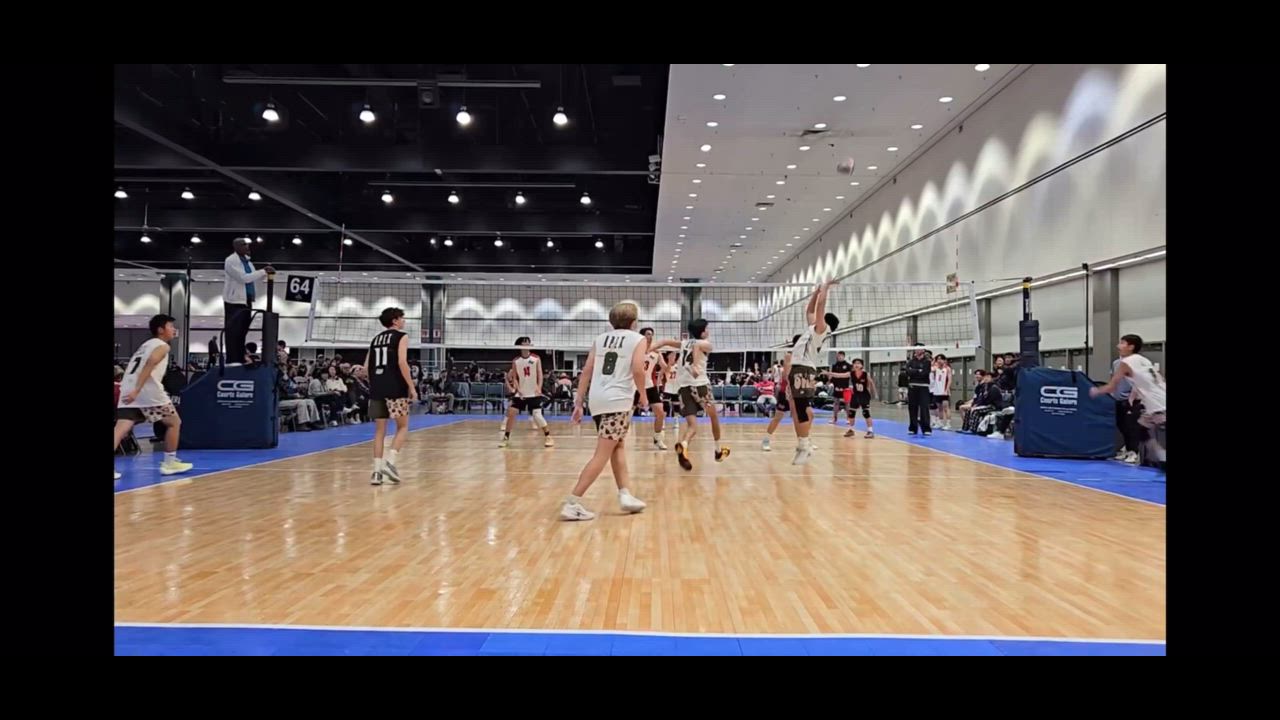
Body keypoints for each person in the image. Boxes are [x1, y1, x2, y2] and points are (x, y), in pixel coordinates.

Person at [561, 302, 650, 521]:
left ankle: (625, 494)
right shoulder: (638, 339)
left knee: (617, 446)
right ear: (634, 322)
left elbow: (586, 371)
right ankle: (572, 502)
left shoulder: (600, 339)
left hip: (597, 400)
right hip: (617, 401)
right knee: (602, 454)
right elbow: (638, 369)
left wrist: (578, 402)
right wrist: (643, 395)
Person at [113, 314, 193, 480]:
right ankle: (169, 463)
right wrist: (138, 390)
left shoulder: (145, 345)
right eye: (170, 326)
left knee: (120, 429)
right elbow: (150, 364)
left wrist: (133, 390)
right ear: (160, 330)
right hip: (146, 391)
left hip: (127, 388)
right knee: (174, 422)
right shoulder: (162, 346)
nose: (174, 330)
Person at [1089, 334, 1166, 463]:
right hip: (1159, 399)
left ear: (1131, 347)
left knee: (1142, 430)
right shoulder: (1144, 360)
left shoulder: (1126, 363)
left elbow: (1112, 387)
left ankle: (1161, 455)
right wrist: (1134, 395)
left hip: (1157, 404)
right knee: (1141, 429)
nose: (1118, 346)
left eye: (1122, 343)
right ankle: (1160, 455)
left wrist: (1096, 390)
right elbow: (1150, 380)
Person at [787, 280, 839, 465]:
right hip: (799, 368)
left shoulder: (821, 330)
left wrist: (825, 289)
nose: (817, 317)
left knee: (801, 409)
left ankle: (805, 445)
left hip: (804, 369)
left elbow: (819, 309)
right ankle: (805, 442)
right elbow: (809, 311)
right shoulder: (813, 328)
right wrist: (816, 293)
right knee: (800, 408)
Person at [366, 307, 417, 486]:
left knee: (379, 431)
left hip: (377, 389)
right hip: (396, 388)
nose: (404, 321)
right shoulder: (401, 336)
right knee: (402, 427)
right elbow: (402, 362)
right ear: (395, 320)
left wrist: (375, 384)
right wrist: (411, 387)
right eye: (402, 318)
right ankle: (390, 462)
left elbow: (366, 368)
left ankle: (376, 473)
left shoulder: (375, 340)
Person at [672, 318, 729, 471]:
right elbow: (697, 346)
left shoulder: (684, 343)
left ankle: (684, 445)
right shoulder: (706, 344)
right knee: (714, 417)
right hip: (700, 386)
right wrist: (695, 365)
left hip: (683, 387)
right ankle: (718, 450)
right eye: (707, 328)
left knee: (692, 426)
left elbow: (666, 342)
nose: (708, 331)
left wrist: (652, 346)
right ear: (703, 332)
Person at [222, 237, 273, 366]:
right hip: (234, 302)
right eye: (243, 244)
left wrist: (264, 274)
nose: (247, 246)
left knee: (242, 331)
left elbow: (253, 277)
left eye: (247, 244)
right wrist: (262, 271)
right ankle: (232, 360)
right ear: (236, 247)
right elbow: (243, 278)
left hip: (247, 301)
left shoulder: (247, 262)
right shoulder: (231, 260)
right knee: (234, 332)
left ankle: (240, 357)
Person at [500, 337, 554, 448]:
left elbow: (540, 374)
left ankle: (548, 437)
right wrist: (518, 389)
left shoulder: (536, 358)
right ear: (520, 345)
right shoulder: (516, 361)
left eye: (528, 343)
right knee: (512, 413)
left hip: (533, 392)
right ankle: (506, 438)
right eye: (525, 343)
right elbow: (515, 377)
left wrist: (539, 388)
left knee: (537, 415)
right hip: (521, 392)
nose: (527, 344)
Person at [762, 335, 800, 451]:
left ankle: (803, 442)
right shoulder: (789, 356)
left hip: (798, 392)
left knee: (800, 417)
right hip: (787, 391)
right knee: (778, 417)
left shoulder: (805, 356)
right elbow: (785, 375)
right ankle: (766, 440)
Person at [638, 327, 670, 450]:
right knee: (627, 414)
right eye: (647, 334)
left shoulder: (657, 353)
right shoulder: (636, 350)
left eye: (651, 334)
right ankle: (619, 439)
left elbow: (665, 368)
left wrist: (670, 362)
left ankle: (658, 439)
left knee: (660, 413)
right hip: (635, 385)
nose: (650, 336)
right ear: (642, 336)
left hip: (649, 386)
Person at [1108, 356, 1142, 464]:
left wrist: (1132, 397)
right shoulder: (1116, 363)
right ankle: (1127, 450)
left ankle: (1134, 452)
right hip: (1117, 399)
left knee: (1130, 426)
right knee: (1121, 425)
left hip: (1130, 400)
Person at [843, 357, 877, 438]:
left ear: (862, 365)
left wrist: (875, 393)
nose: (856, 365)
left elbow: (871, 383)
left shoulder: (865, 374)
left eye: (858, 363)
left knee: (866, 413)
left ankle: (870, 431)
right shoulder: (851, 373)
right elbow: (840, 375)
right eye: (855, 363)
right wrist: (829, 373)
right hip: (855, 395)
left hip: (864, 395)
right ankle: (851, 430)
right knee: (851, 414)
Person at [904, 343, 933, 436]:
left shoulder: (927, 362)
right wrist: (918, 370)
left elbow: (925, 373)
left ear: (923, 350)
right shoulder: (911, 361)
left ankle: (926, 429)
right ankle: (913, 428)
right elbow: (907, 372)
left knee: (924, 408)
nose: (917, 350)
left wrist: (914, 371)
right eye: (916, 349)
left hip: (923, 387)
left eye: (919, 349)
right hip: (912, 386)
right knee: (912, 408)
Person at [827, 351, 852, 426]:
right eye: (838, 356)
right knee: (836, 402)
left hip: (845, 387)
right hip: (837, 387)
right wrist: (831, 381)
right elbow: (832, 376)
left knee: (847, 403)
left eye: (841, 356)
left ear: (844, 356)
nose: (839, 357)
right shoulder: (834, 366)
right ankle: (834, 418)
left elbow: (849, 376)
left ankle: (849, 418)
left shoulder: (848, 365)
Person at [930, 353, 954, 431]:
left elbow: (950, 380)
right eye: (938, 359)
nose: (939, 360)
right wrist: (933, 362)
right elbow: (929, 369)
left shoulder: (947, 368)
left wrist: (947, 389)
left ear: (944, 360)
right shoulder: (935, 368)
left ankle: (948, 424)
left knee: (946, 408)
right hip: (937, 391)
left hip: (944, 391)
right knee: (939, 408)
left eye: (941, 359)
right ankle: (940, 423)